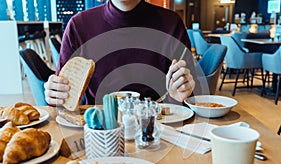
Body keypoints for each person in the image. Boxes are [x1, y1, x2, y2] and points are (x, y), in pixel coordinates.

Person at [44, 0, 196, 105]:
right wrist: (55, 94)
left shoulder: (172, 24)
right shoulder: (78, 27)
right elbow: (64, 100)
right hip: (97, 132)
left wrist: (179, 96)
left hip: (159, 129)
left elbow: (191, 95)